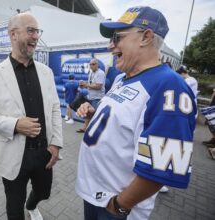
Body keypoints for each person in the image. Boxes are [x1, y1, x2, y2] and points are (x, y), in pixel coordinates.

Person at [75, 6, 196, 220]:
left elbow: (162, 168)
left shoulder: (170, 87)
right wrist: (94, 114)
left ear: (146, 37)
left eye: (117, 37)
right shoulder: (123, 77)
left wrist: (119, 205)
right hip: (94, 195)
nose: (111, 45)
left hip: (115, 207)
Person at [0, 13, 63, 220]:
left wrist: (57, 143)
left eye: (37, 31)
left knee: (44, 192)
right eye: (30, 31)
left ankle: (32, 205)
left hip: (43, 152)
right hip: (12, 154)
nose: (36, 37)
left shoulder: (46, 72)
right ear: (13, 34)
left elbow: (55, 109)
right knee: (14, 209)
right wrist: (14, 124)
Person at [75, 58, 106, 133]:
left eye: (93, 64)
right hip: (90, 96)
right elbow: (90, 84)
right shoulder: (91, 72)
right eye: (90, 64)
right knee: (87, 114)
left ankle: (94, 131)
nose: (91, 66)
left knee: (94, 115)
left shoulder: (100, 73)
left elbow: (99, 86)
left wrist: (87, 85)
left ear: (97, 65)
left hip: (97, 98)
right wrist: (84, 85)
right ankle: (85, 128)